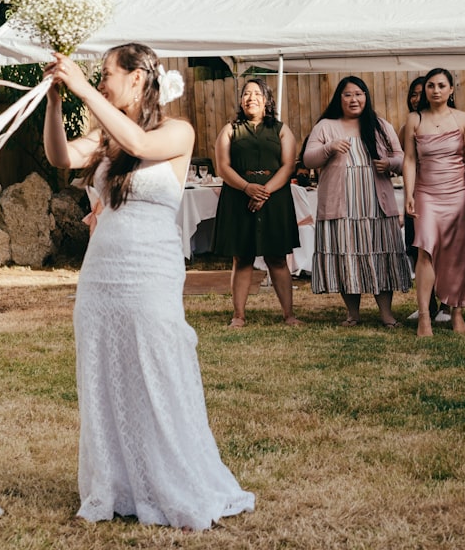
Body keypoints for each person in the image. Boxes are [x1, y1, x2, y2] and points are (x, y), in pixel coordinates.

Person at [43, 44, 255, 529]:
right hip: (102, 271)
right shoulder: (103, 135)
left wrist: (79, 87)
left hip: (151, 268)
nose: (99, 82)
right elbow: (60, 155)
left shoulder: (178, 130)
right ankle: (116, 484)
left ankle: (174, 478)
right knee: (104, 371)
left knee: (158, 367)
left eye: (105, 75)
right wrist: (56, 100)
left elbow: (138, 145)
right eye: (95, 76)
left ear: (138, 79)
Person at [303, 76, 412, 326]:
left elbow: (403, 159)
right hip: (340, 206)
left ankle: (386, 313)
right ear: (339, 99)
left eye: (359, 93)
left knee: (380, 256)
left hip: (376, 206)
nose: (354, 99)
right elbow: (308, 159)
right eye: (348, 95)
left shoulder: (380, 125)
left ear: (366, 96)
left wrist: (390, 164)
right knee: (347, 256)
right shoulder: (326, 126)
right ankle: (353, 313)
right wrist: (328, 148)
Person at [212, 78, 301, 328]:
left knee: (277, 258)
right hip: (238, 196)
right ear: (241, 101)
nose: (251, 97)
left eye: (257, 94)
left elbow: (288, 166)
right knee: (242, 258)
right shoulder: (230, 129)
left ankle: (289, 315)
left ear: (266, 100)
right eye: (246, 94)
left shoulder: (281, 130)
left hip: (275, 199)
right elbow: (222, 167)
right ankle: (238, 315)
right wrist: (247, 188)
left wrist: (264, 192)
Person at [402, 67, 465, 337]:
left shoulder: (463, 119)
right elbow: (410, 160)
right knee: (425, 251)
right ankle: (425, 315)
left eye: (441, 85)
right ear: (425, 89)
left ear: (451, 90)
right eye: (431, 85)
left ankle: (456, 312)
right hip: (426, 193)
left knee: (459, 253)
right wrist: (409, 194)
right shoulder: (414, 119)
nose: (435, 90)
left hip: (458, 192)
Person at [400, 76, 451, 323]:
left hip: (448, 192)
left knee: (447, 252)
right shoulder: (409, 126)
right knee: (418, 249)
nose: (418, 97)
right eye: (414, 93)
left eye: (423, 91)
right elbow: (406, 160)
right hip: (419, 194)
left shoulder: (454, 120)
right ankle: (427, 305)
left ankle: (448, 305)